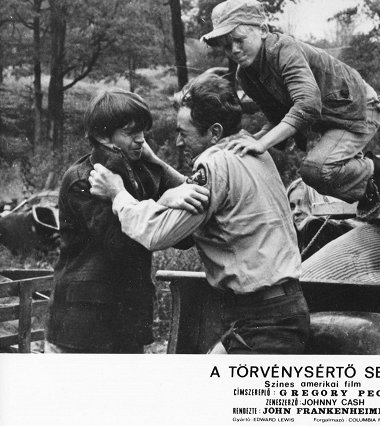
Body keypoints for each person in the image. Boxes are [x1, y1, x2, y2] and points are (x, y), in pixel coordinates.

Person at [88, 73, 310, 354]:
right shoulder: (250, 150)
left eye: (184, 133)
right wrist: (156, 163)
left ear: (214, 132)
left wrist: (117, 193)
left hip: (263, 320)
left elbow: (156, 233)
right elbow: (205, 193)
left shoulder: (214, 164)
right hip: (277, 310)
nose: (179, 143)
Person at [200, 0, 380, 220]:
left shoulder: (285, 49)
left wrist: (262, 143)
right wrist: (249, 142)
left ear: (262, 29)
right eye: (225, 46)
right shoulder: (246, 75)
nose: (233, 50)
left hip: (359, 108)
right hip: (332, 118)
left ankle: (378, 171)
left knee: (316, 170)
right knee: (326, 168)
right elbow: (278, 119)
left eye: (239, 40)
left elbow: (307, 104)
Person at [45, 89, 209, 353]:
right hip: (84, 327)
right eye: (131, 133)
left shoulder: (139, 173)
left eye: (143, 132)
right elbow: (121, 245)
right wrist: (164, 202)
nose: (141, 141)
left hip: (126, 321)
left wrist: (157, 167)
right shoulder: (86, 179)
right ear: (102, 136)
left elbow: (184, 236)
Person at [286, 178, 357, 259]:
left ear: (316, 202)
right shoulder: (294, 240)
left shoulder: (316, 227)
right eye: (292, 206)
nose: (296, 212)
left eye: (303, 203)